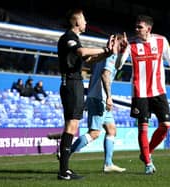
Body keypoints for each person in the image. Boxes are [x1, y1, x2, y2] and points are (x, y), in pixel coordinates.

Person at [119, 15, 170, 174]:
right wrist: (121, 51)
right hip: (139, 93)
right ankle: (148, 164)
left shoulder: (162, 41)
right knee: (143, 129)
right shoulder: (131, 44)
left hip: (158, 91)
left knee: (166, 125)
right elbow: (119, 65)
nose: (136, 29)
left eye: (139, 27)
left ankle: (147, 152)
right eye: (135, 26)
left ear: (148, 29)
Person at [57, 8, 114, 180]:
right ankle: (64, 171)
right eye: (83, 19)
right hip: (71, 83)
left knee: (72, 126)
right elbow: (82, 53)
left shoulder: (75, 39)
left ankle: (64, 169)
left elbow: (89, 60)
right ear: (76, 22)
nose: (86, 22)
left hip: (76, 83)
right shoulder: (68, 37)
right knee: (70, 126)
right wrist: (104, 48)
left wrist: (107, 53)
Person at [69, 34, 126, 173]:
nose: (124, 45)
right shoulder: (111, 56)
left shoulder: (108, 54)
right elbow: (105, 75)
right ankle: (66, 153)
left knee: (111, 130)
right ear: (115, 42)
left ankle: (108, 163)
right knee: (94, 133)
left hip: (97, 97)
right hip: (100, 98)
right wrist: (109, 97)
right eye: (121, 43)